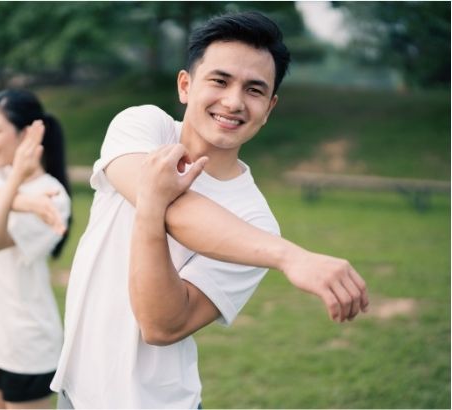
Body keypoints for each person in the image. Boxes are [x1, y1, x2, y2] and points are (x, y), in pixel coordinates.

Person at [50, 11, 369, 409]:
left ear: (269, 108)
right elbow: (180, 213)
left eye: (254, 90)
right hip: (74, 393)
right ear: (186, 85)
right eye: (220, 80)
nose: (233, 102)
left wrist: (150, 207)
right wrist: (287, 254)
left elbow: (161, 324)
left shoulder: (254, 222)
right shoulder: (142, 127)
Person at [0, 89, 71, 409]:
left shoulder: (54, 199)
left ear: (27, 134)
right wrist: (25, 200)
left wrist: (21, 179)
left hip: (24, 342)